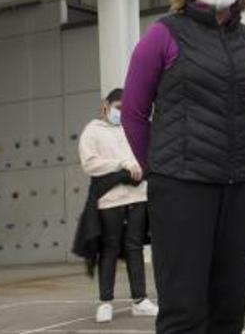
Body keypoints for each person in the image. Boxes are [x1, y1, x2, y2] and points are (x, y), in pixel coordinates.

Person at [122, 0, 245, 333]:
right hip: (181, 186)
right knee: (184, 310)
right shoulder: (163, 35)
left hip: (242, 186)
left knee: (229, 310)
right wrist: (159, 168)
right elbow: (134, 112)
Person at [74, 89, 158, 322]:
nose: (121, 113)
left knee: (135, 248)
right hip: (109, 199)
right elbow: (90, 164)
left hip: (138, 197)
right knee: (109, 248)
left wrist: (138, 167)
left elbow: (146, 158)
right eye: (118, 107)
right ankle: (105, 302)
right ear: (106, 105)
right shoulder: (92, 131)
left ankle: (140, 300)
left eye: (125, 108)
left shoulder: (133, 129)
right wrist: (121, 164)